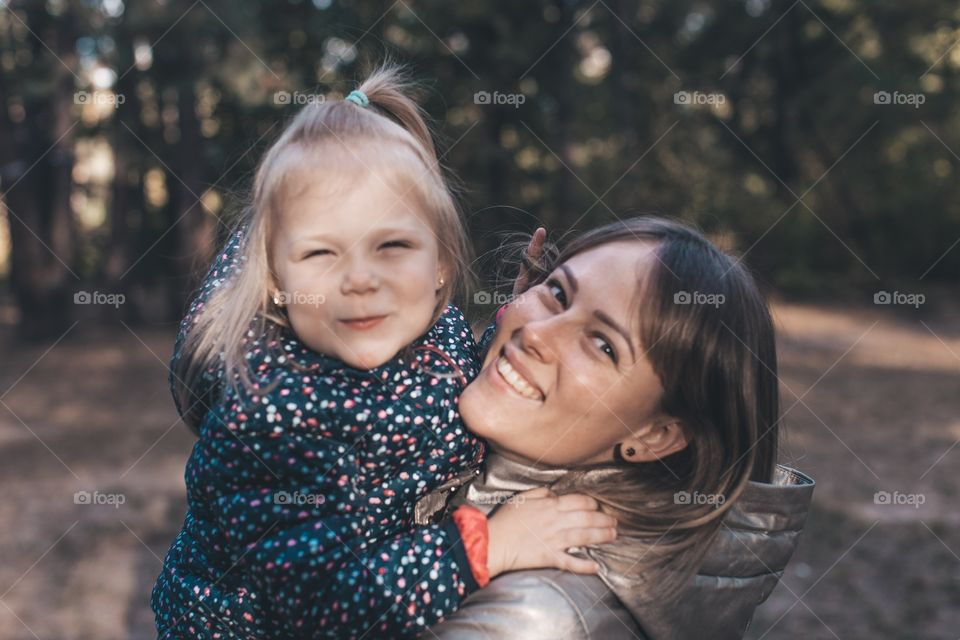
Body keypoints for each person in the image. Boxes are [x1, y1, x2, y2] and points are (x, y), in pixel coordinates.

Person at [150, 65, 615, 640]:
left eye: (392, 246)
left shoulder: (434, 333)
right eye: (322, 253)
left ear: (440, 265)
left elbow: (450, 383)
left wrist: (520, 323)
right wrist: (488, 546)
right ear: (274, 278)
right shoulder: (271, 415)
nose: (361, 280)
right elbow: (322, 605)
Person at [424, 217, 815, 639]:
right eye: (557, 293)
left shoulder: (535, 619)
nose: (536, 333)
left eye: (603, 345)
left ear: (654, 436)